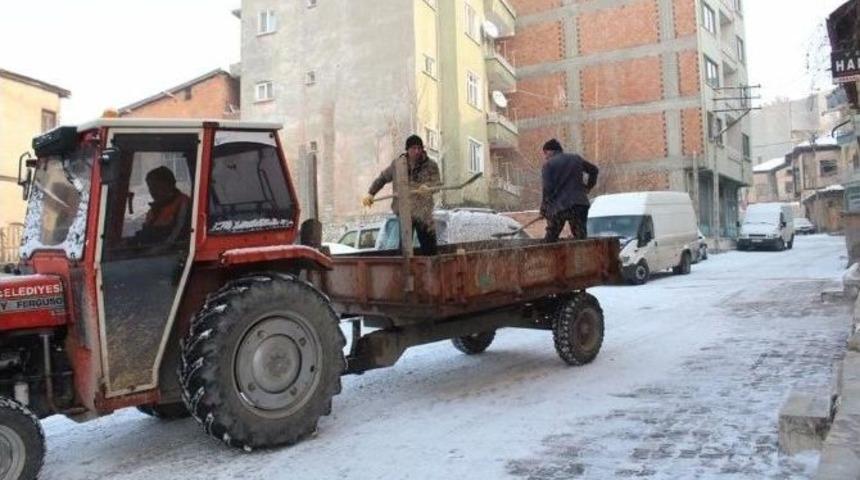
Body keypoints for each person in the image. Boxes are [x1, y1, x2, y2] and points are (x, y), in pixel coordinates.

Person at [362, 135, 441, 255]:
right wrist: (371, 193)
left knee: (429, 246)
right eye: (414, 148)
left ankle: (431, 267)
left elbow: (437, 184)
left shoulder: (430, 165)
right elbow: (382, 178)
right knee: (405, 247)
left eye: (419, 148)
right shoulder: (398, 165)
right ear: (407, 150)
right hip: (404, 211)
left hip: (423, 212)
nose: (417, 151)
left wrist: (428, 188)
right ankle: (406, 269)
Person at [540, 139, 599, 242]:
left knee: (550, 238)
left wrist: (543, 209)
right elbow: (594, 170)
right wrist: (588, 187)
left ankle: (545, 255)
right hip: (579, 205)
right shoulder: (576, 159)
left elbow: (547, 189)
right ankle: (583, 255)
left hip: (560, 207)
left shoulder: (548, 165)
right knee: (580, 238)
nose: (545, 157)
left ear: (551, 151)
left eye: (545, 153)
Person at [133, 166, 191, 246]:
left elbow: (176, 237)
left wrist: (153, 252)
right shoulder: (153, 210)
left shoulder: (183, 204)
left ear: (169, 185)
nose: (152, 192)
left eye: (156, 187)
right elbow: (146, 235)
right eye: (150, 188)